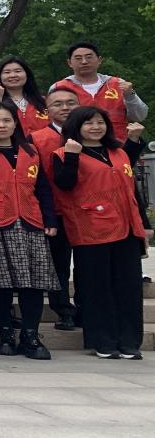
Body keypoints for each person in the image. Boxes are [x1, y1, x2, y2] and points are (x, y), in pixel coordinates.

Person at [0, 102, 59, 360]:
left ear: (15, 123)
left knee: (34, 282)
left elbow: (42, 188)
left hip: (29, 222)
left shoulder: (30, 150)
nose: (1, 125)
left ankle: (30, 334)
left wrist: (49, 218)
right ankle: (5, 332)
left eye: (6, 120)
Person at [50, 106, 148, 359]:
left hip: (126, 227)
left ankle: (129, 341)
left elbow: (131, 190)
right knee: (97, 287)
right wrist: (72, 156)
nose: (95, 127)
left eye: (100, 122)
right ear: (76, 126)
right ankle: (102, 341)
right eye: (89, 123)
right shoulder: (63, 153)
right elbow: (64, 184)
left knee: (129, 286)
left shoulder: (119, 152)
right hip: (91, 227)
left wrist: (144, 224)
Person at [32, 87, 81, 330]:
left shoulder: (94, 133)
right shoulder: (37, 139)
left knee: (87, 265)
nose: (65, 108)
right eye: (58, 104)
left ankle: (87, 308)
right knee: (58, 265)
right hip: (56, 210)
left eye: (70, 102)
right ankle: (63, 310)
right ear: (47, 110)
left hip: (89, 212)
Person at [50, 42, 147, 141]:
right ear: (70, 63)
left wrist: (130, 95)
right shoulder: (59, 87)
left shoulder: (118, 83)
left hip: (118, 145)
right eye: (78, 58)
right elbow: (52, 121)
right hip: (77, 145)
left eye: (89, 57)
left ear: (99, 60)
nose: (84, 62)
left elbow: (140, 116)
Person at [0, 57, 50, 135]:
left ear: (27, 74)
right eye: (7, 72)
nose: (12, 75)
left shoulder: (44, 101)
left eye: (18, 71)